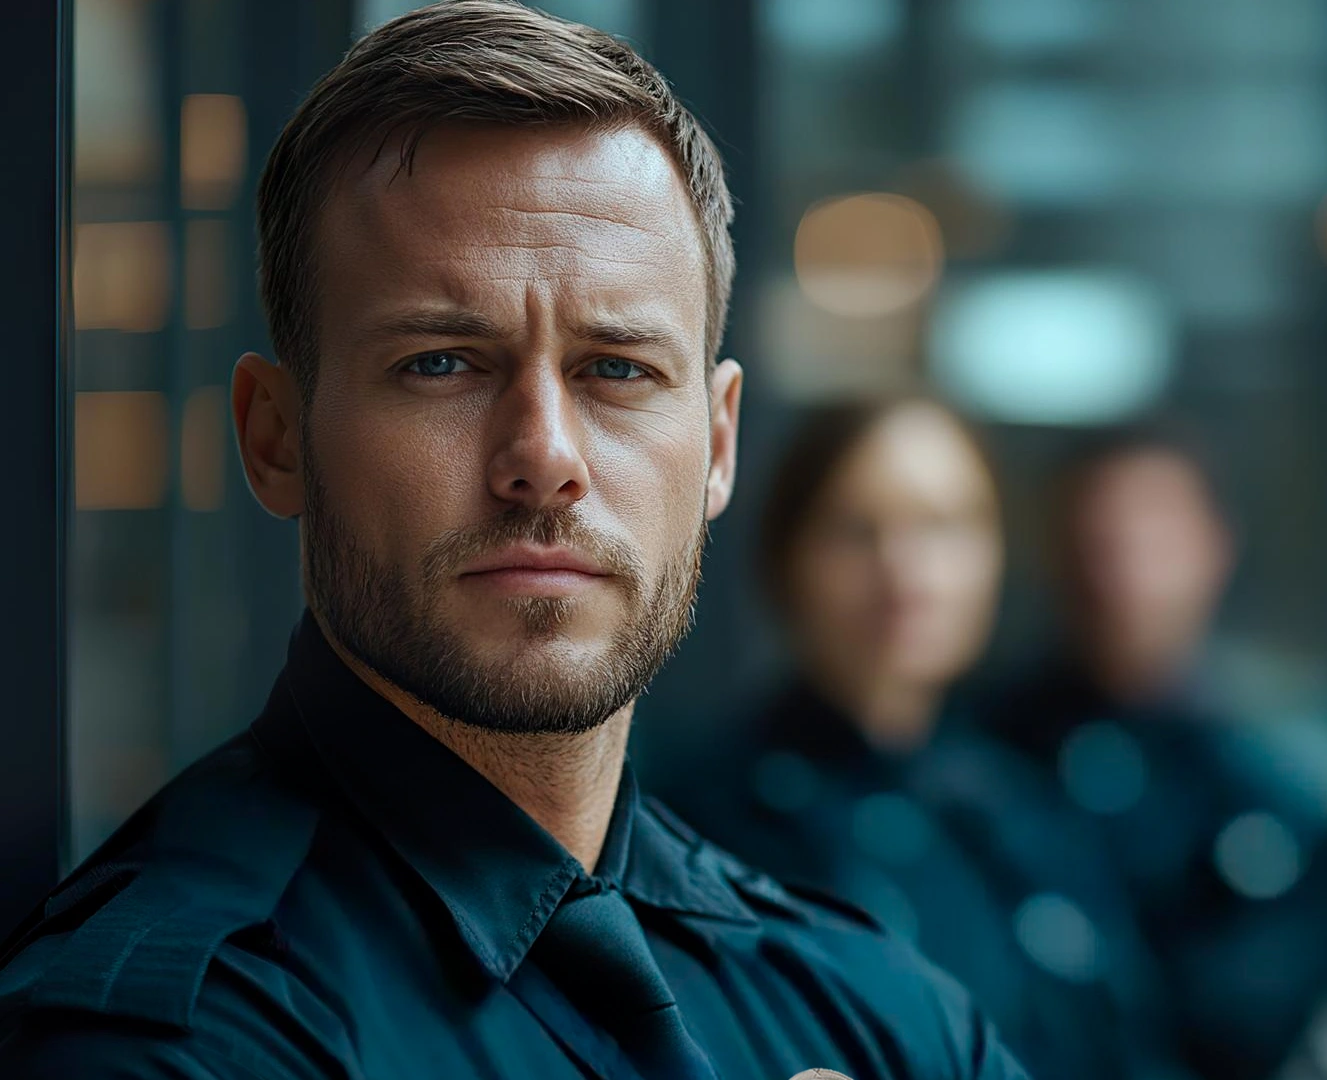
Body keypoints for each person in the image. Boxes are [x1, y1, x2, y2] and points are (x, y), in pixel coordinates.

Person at [0, 4, 1027, 1078]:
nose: (544, 457)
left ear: (719, 445)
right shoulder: (162, 1043)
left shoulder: (879, 1011)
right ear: (275, 439)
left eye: (617, 370)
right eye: (442, 362)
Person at [656, 399, 1181, 1080]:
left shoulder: (1030, 805)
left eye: (943, 526)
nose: (904, 570)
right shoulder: (706, 825)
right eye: (855, 530)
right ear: (784, 559)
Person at [986, 427, 1327, 1080]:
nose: (1121, 576)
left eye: (1152, 542)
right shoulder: (985, 765)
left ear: (1215, 548)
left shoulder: (1287, 778)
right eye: (1098, 543)